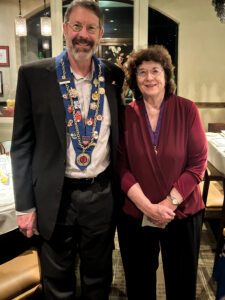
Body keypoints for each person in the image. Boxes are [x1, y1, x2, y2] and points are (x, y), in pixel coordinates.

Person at [10, 1, 124, 299]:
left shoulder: (113, 76)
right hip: (54, 197)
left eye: (90, 28)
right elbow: (21, 145)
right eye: (76, 26)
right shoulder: (34, 75)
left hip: (101, 196)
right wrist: (24, 206)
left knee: (98, 278)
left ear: (100, 33)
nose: (82, 34)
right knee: (58, 281)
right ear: (64, 29)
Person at [117, 45, 208, 300]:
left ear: (167, 75)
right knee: (139, 283)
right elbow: (121, 167)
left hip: (182, 213)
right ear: (135, 79)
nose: (149, 78)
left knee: (181, 283)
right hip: (137, 214)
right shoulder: (126, 115)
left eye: (155, 71)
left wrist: (168, 204)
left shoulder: (187, 109)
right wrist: (148, 207)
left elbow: (198, 163)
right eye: (142, 72)